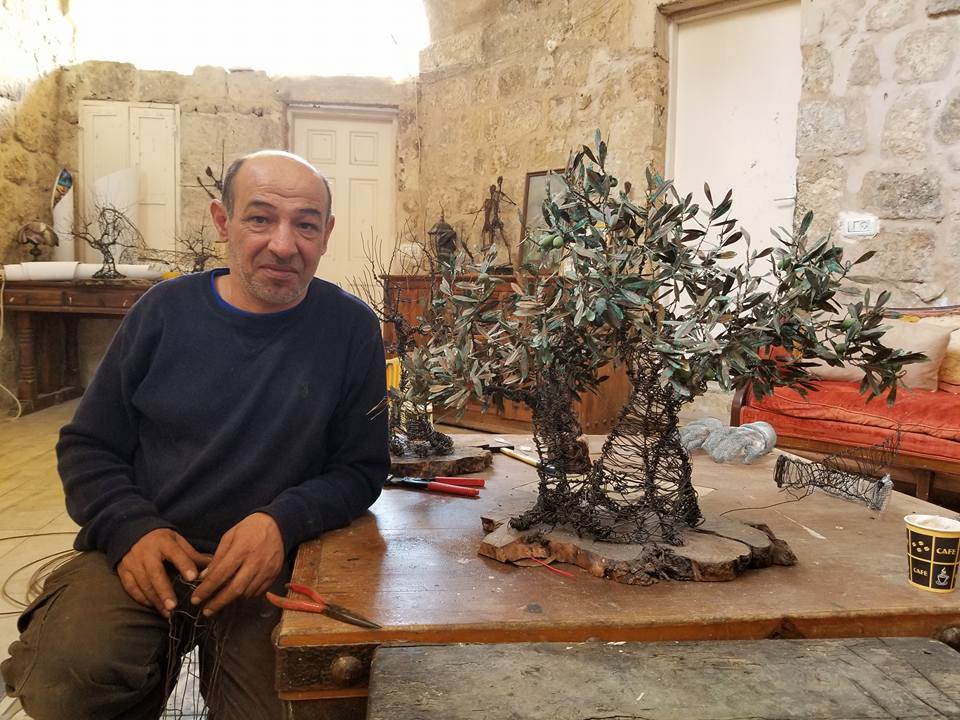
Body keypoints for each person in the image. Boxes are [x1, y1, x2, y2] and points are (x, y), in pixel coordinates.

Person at [0, 150, 389, 719]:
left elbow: (360, 469)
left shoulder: (351, 328)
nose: (284, 244)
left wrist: (282, 523)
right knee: (71, 674)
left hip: (275, 566)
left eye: (305, 225)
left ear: (326, 234)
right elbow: (88, 446)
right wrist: (130, 528)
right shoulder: (162, 312)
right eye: (260, 219)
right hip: (151, 552)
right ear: (222, 221)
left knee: (294, 704)